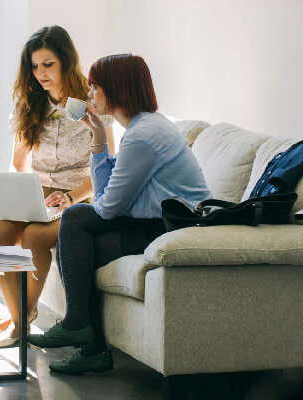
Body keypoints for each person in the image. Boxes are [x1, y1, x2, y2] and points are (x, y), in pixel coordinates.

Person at [27, 54, 211, 373]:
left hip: (175, 227)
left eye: (95, 87)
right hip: (155, 222)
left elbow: (108, 206)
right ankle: (91, 348)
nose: (89, 95)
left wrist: (86, 207)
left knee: (75, 220)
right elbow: (105, 195)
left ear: (116, 89)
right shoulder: (139, 128)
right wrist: (98, 137)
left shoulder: (144, 135)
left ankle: (80, 330)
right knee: (84, 243)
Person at [0, 26, 115, 348]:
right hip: (38, 191)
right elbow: (18, 164)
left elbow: (108, 168)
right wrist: (13, 194)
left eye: (48, 64)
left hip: (79, 195)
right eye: (34, 65)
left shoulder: (93, 104)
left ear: (65, 62)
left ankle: (19, 323)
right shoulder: (31, 104)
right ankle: (21, 317)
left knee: (34, 236)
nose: (40, 73)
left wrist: (71, 196)